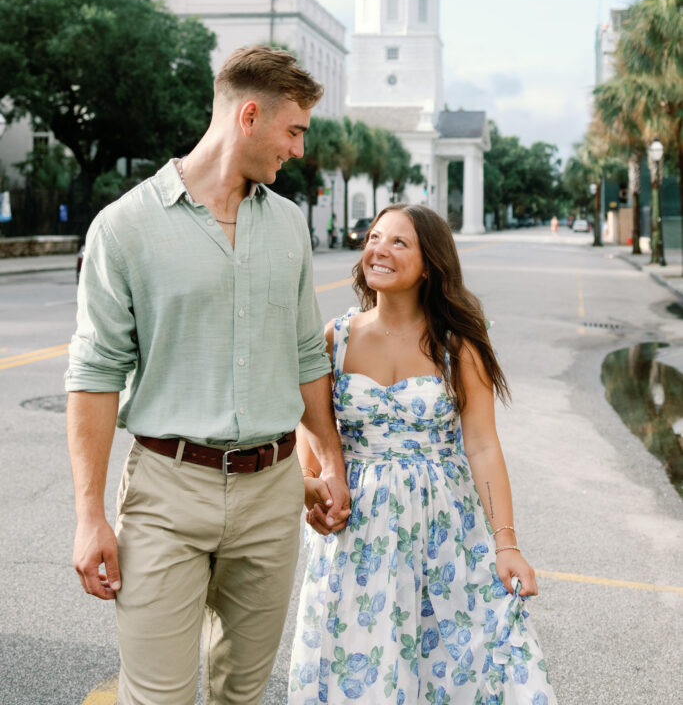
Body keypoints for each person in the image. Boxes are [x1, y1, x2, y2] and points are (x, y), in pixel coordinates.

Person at [65, 45, 350, 705]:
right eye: (294, 130)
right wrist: (88, 517)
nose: (299, 150)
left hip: (274, 495)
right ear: (249, 115)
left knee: (242, 695)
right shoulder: (124, 227)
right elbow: (95, 376)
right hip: (167, 493)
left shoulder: (288, 225)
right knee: (158, 696)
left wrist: (328, 459)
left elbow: (307, 353)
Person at [289, 204, 557, 704]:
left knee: (454, 668)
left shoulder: (458, 347)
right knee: (362, 665)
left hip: (445, 531)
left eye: (398, 242)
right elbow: (313, 429)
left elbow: (481, 445)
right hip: (358, 537)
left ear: (430, 263)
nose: (379, 250)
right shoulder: (336, 339)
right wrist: (314, 494)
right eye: (373, 237)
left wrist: (506, 544)